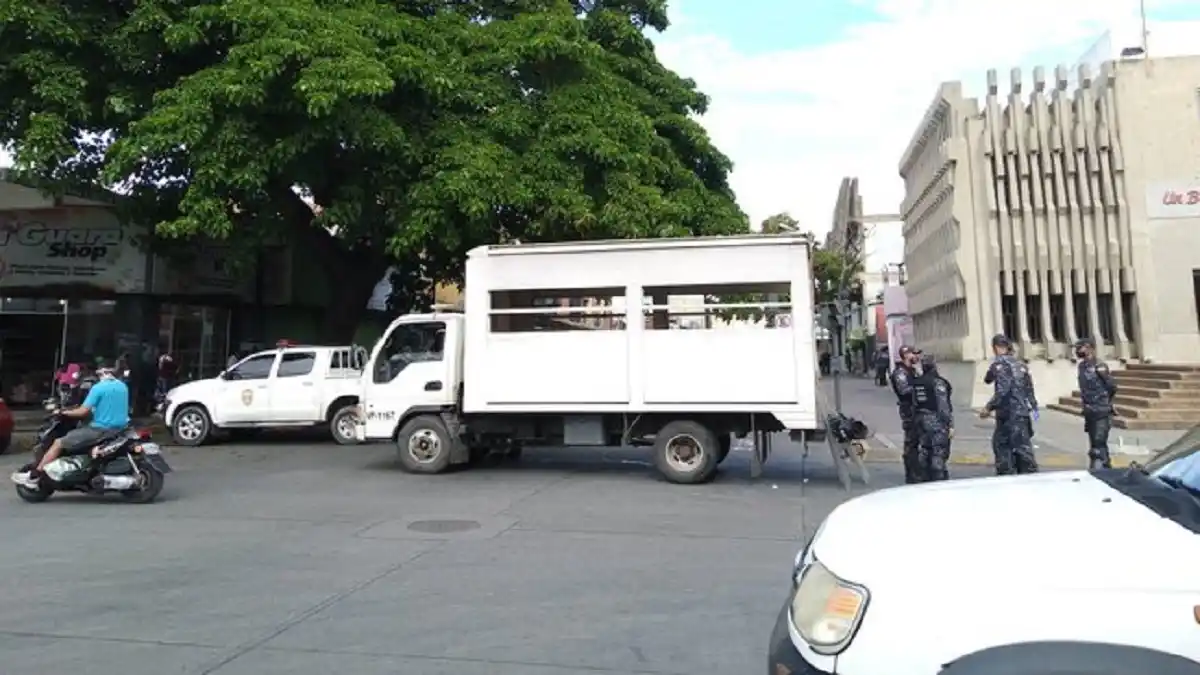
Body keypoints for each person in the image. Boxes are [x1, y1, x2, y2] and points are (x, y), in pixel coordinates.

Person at [20, 366, 131, 487]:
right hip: (120, 429)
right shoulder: (122, 386)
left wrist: (63, 412)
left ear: (103, 374)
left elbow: (82, 412)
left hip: (100, 430)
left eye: (99, 375)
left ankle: (35, 476)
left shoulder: (98, 388)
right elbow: (109, 407)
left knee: (58, 442)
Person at [980, 334, 1037, 475]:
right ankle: (1030, 477)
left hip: (1008, 414)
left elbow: (1001, 389)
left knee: (1002, 445)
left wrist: (988, 407)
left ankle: (1006, 477)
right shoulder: (1021, 365)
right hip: (1022, 414)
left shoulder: (1000, 364)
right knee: (1023, 447)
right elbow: (1029, 390)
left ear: (997, 347)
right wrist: (1034, 408)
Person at [1075, 337, 1118, 469]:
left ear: (1089, 348)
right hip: (1089, 411)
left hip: (1101, 410)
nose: (1077, 351)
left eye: (1080, 347)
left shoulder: (1100, 366)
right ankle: (1105, 467)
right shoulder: (1082, 366)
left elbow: (1111, 386)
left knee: (1098, 444)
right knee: (1095, 443)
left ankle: (1100, 469)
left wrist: (1105, 402)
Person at [911, 353, 954, 481]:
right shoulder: (938, 383)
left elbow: (914, 403)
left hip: (920, 420)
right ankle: (938, 480)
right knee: (938, 452)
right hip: (936, 421)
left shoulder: (917, 382)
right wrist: (950, 424)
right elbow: (943, 406)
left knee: (924, 450)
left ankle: (924, 478)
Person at [889, 344, 922, 484]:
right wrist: (920, 386)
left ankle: (917, 471)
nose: (917, 357)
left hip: (916, 410)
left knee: (917, 442)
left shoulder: (911, 370)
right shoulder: (900, 373)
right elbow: (904, 391)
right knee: (911, 442)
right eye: (914, 354)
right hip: (909, 411)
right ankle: (911, 474)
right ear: (906, 355)